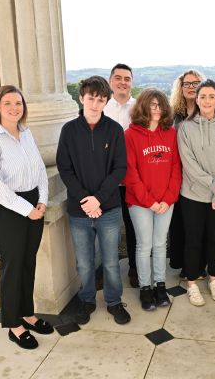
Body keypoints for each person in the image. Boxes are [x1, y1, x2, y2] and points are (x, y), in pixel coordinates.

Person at [0, 85, 53, 349]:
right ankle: (13, 324)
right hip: (8, 210)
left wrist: (42, 200)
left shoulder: (26, 132)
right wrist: (27, 209)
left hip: (35, 204)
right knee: (11, 268)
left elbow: (40, 169)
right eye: (8, 103)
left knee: (27, 263)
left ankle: (28, 314)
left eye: (18, 103)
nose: (14, 108)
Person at [56, 76, 131, 326]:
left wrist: (98, 199)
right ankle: (87, 300)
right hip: (79, 211)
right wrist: (86, 201)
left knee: (110, 261)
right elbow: (65, 169)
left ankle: (114, 301)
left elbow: (120, 168)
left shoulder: (114, 130)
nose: (95, 104)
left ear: (106, 101)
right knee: (85, 263)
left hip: (108, 208)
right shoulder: (69, 130)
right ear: (81, 98)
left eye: (101, 99)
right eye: (91, 98)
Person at [178, 79, 215, 306]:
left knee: (214, 239)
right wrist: (214, 187)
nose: (206, 100)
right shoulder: (185, 127)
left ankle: (213, 278)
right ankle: (192, 283)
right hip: (192, 195)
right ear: (196, 98)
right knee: (193, 240)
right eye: (202, 96)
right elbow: (189, 164)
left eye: (211, 96)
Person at [124, 88, 182, 311]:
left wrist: (167, 199)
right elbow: (130, 173)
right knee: (144, 245)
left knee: (160, 244)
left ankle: (160, 284)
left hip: (166, 201)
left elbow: (176, 167)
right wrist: (150, 201)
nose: (156, 109)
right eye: (152, 105)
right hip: (140, 202)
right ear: (143, 107)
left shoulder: (170, 133)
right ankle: (145, 288)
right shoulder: (129, 135)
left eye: (160, 105)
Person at [168, 69, 208, 279]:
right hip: (178, 175)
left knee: (199, 224)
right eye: (187, 84)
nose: (191, 87)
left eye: (196, 83)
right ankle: (184, 263)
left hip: (201, 176)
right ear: (181, 88)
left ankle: (200, 265)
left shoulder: (207, 113)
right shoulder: (173, 114)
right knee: (181, 223)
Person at [104, 63, 139, 288]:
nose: (123, 82)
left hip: (133, 179)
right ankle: (107, 271)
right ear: (111, 81)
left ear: (132, 82)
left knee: (134, 226)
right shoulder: (102, 108)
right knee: (108, 229)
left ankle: (136, 269)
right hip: (107, 180)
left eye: (127, 78)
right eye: (118, 78)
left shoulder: (140, 109)